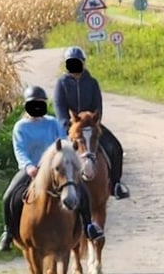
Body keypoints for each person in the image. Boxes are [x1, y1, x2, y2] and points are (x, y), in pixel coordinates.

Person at [0, 85, 104, 252]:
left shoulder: (52, 122)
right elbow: (20, 150)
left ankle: (89, 226)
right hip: (31, 170)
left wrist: (66, 158)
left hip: (55, 168)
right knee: (9, 196)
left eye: (40, 103)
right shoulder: (21, 127)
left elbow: (63, 141)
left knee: (82, 191)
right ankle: (8, 231)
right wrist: (28, 166)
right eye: (33, 103)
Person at [53, 46, 130, 200]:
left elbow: (98, 106)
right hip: (72, 127)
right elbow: (59, 107)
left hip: (91, 126)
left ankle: (115, 184)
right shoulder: (61, 84)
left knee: (115, 147)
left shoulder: (92, 82)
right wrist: (67, 126)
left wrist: (95, 122)